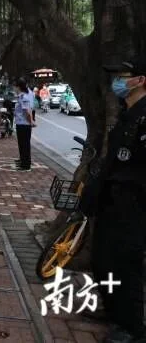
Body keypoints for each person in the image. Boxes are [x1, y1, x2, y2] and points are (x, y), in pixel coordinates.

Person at [84, 61, 146, 343]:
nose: (117, 83)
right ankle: (111, 308)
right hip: (110, 199)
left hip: (133, 203)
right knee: (103, 258)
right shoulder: (126, 112)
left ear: (140, 80)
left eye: (122, 77)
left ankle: (131, 327)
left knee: (125, 262)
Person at [13, 78, 35, 171]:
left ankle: (26, 165)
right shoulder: (21, 96)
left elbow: (27, 111)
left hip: (24, 124)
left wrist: (31, 121)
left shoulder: (23, 97)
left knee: (25, 145)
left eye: (15, 87)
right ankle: (23, 162)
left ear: (18, 87)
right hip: (21, 123)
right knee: (22, 144)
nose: (14, 88)